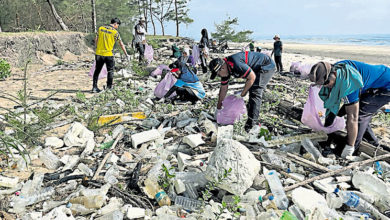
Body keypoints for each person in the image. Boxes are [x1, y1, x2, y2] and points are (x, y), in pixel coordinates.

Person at [309, 61, 390, 158]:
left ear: (334, 74)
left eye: (326, 83)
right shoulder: (332, 70)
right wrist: (327, 128)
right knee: (351, 112)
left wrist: (349, 146)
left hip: (386, 87)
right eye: (322, 84)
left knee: (361, 114)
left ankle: (353, 148)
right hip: (371, 84)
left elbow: (353, 118)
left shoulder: (348, 82)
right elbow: (333, 107)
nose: (326, 86)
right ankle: (374, 143)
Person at [209, 51, 276, 131]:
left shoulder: (235, 63)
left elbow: (251, 77)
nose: (219, 76)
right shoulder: (226, 70)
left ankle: (251, 125)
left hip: (266, 66)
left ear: (222, 68)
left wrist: (242, 94)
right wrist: (219, 107)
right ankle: (250, 112)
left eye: (218, 74)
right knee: (252, 89)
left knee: (255, 92)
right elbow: (223, 89)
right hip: (255, 69)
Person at [93, 18, 129, 93]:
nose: (117, 27)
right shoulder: (115, 32)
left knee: (97, 71)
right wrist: (126, 54)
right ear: (115, 23)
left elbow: (96, 39)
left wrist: (97, 48)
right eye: (117, 25)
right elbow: (121, 44)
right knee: (110, 71)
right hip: (109, 54)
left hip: (99, 54)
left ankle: (94, 87)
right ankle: (109, 88)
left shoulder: (101, 28)